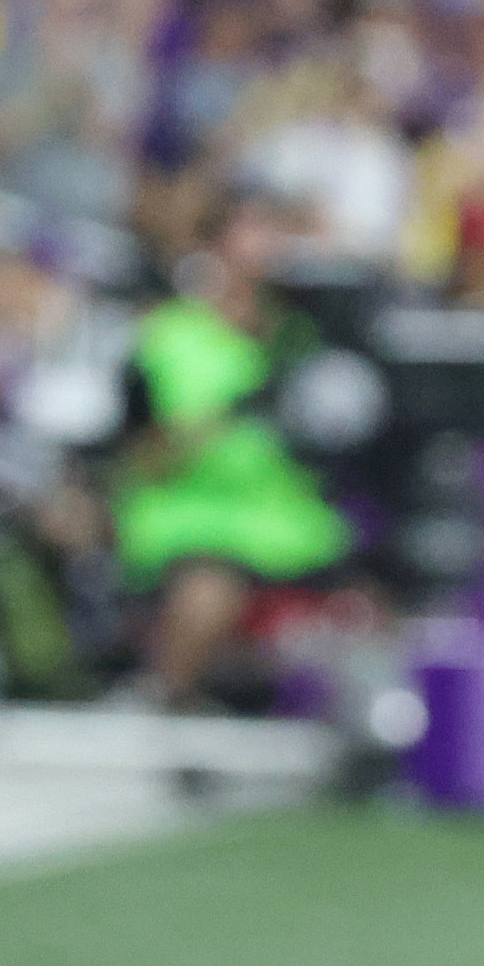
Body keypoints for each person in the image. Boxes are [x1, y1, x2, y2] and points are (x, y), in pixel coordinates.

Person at [115, 186, 353, 703]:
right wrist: (221, 418)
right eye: (253, 231)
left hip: (291, 520)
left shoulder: (305, 338)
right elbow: (136, 456)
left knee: (370, 603)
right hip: (196, 518)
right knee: (207, 593)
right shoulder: (167, 335)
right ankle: (166, 700)